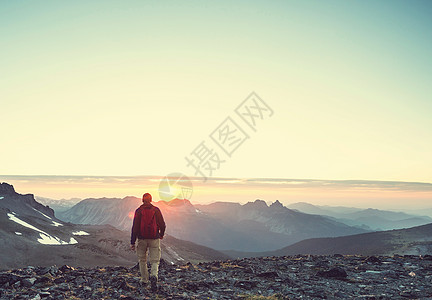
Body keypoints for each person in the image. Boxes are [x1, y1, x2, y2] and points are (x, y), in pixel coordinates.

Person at [131, 193, 166, 291]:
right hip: (154, 238)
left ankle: (144, 280)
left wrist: (132, 242)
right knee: (155, 260)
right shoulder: (156, 210)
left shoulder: (138, 211)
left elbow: (135, 228)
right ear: (151, 200)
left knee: (142, 260)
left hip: (142, 239)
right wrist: (161, 234)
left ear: (142, 200)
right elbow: (162, 224)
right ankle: (154, 275)